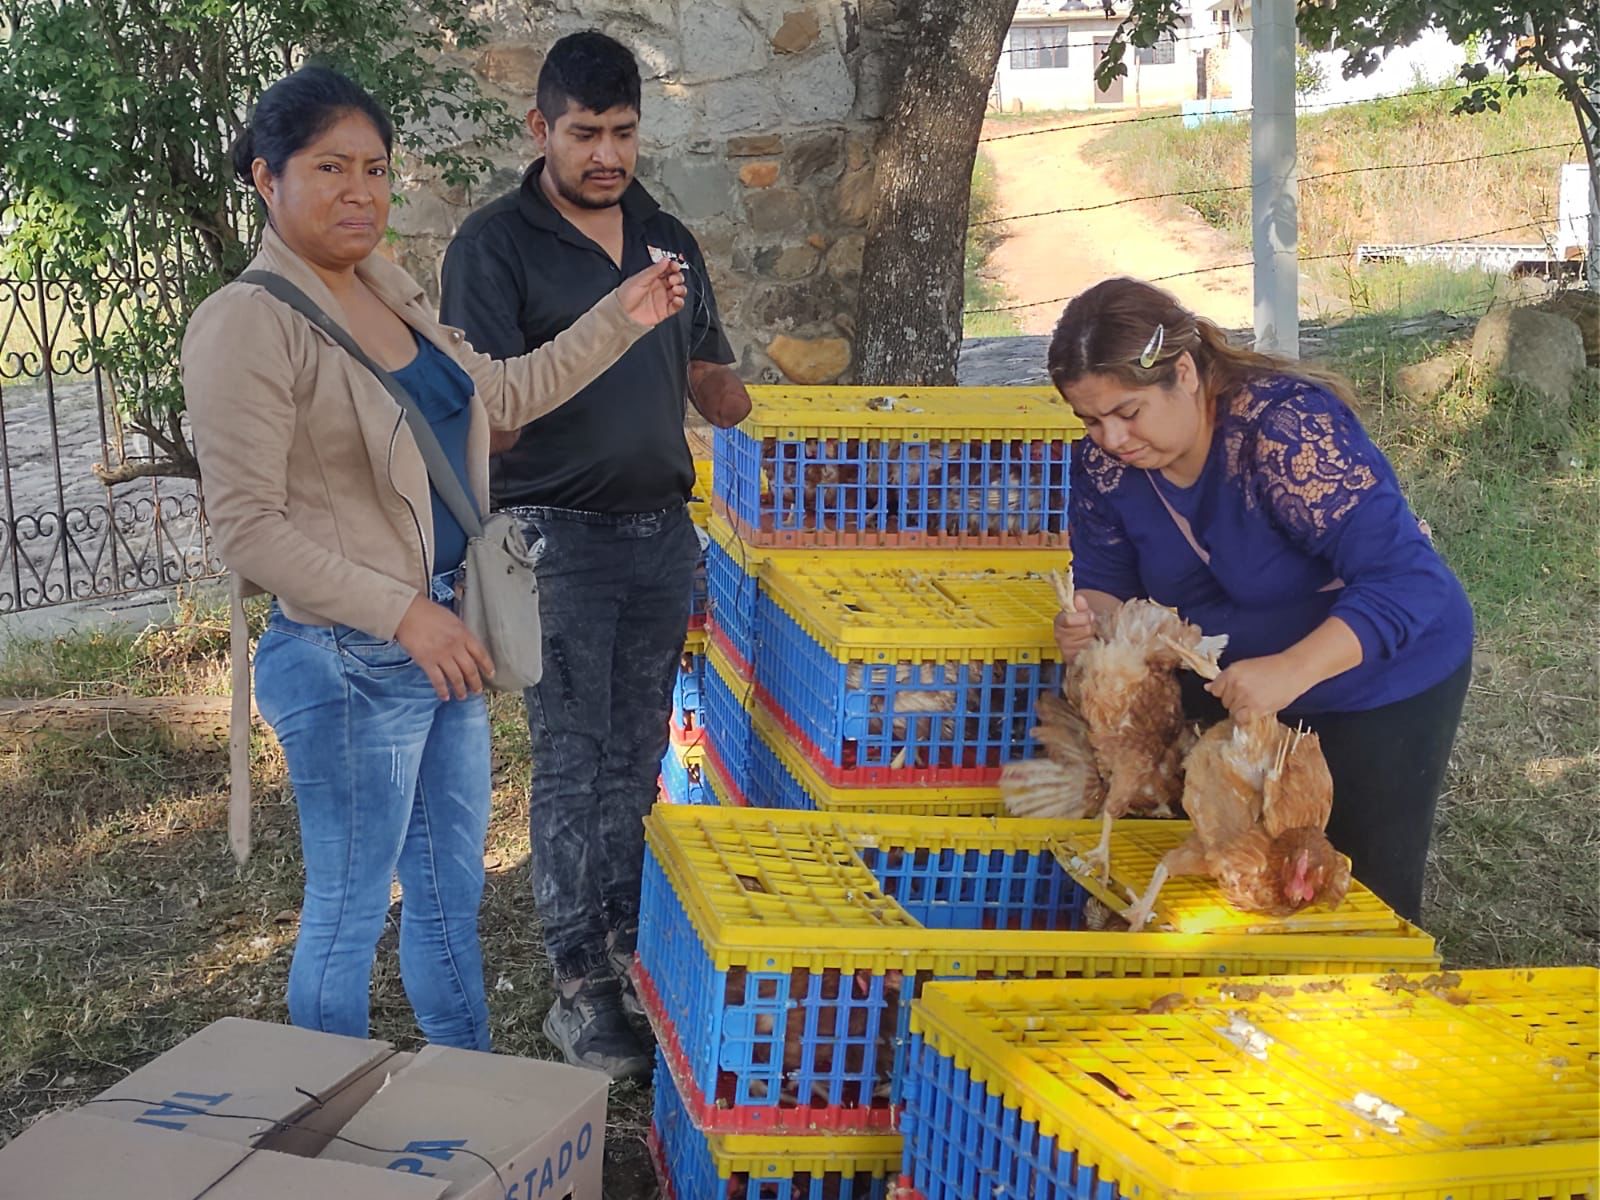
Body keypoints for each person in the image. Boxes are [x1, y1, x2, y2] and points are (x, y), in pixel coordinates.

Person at [182, 65, 686, 1050]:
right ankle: (322, 1120)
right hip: (350, 656)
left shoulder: (386, 286)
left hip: (444, 632)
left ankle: (472, 1098)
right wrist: (401, 614)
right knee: (348, 910)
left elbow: (498, 395)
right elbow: (245, 529)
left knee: (451, 900)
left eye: (373, 167)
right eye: (329, 167)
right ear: (265, 180)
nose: (360, 191)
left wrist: (619, 318)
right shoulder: (246, 321)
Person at [439, 30, 750, 1079]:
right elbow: (495, 421)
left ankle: (628, 953)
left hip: (662, 533)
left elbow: (714, 376)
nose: (606, 153)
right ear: (541, 129)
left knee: (638, 757)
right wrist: (604, 333)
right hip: (554, 539)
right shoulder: (493, 248)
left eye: (622, 132)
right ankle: (576, 987)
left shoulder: (664, 232)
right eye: (585, 134)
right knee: (571, 765)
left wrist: (763, 414)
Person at [1048, 277, 1472, 923]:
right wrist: (1096, 629)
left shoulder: (1284, 433)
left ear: (1184, 373)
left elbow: (1409, 580)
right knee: (1234, 881)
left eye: (1127, 413)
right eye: (1090, 420)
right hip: (1236, 687)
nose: (1109, 438)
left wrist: (1290, 672)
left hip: (1377, 680)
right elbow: (1109, 581)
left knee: (1356, 894)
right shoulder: (1107, 468)